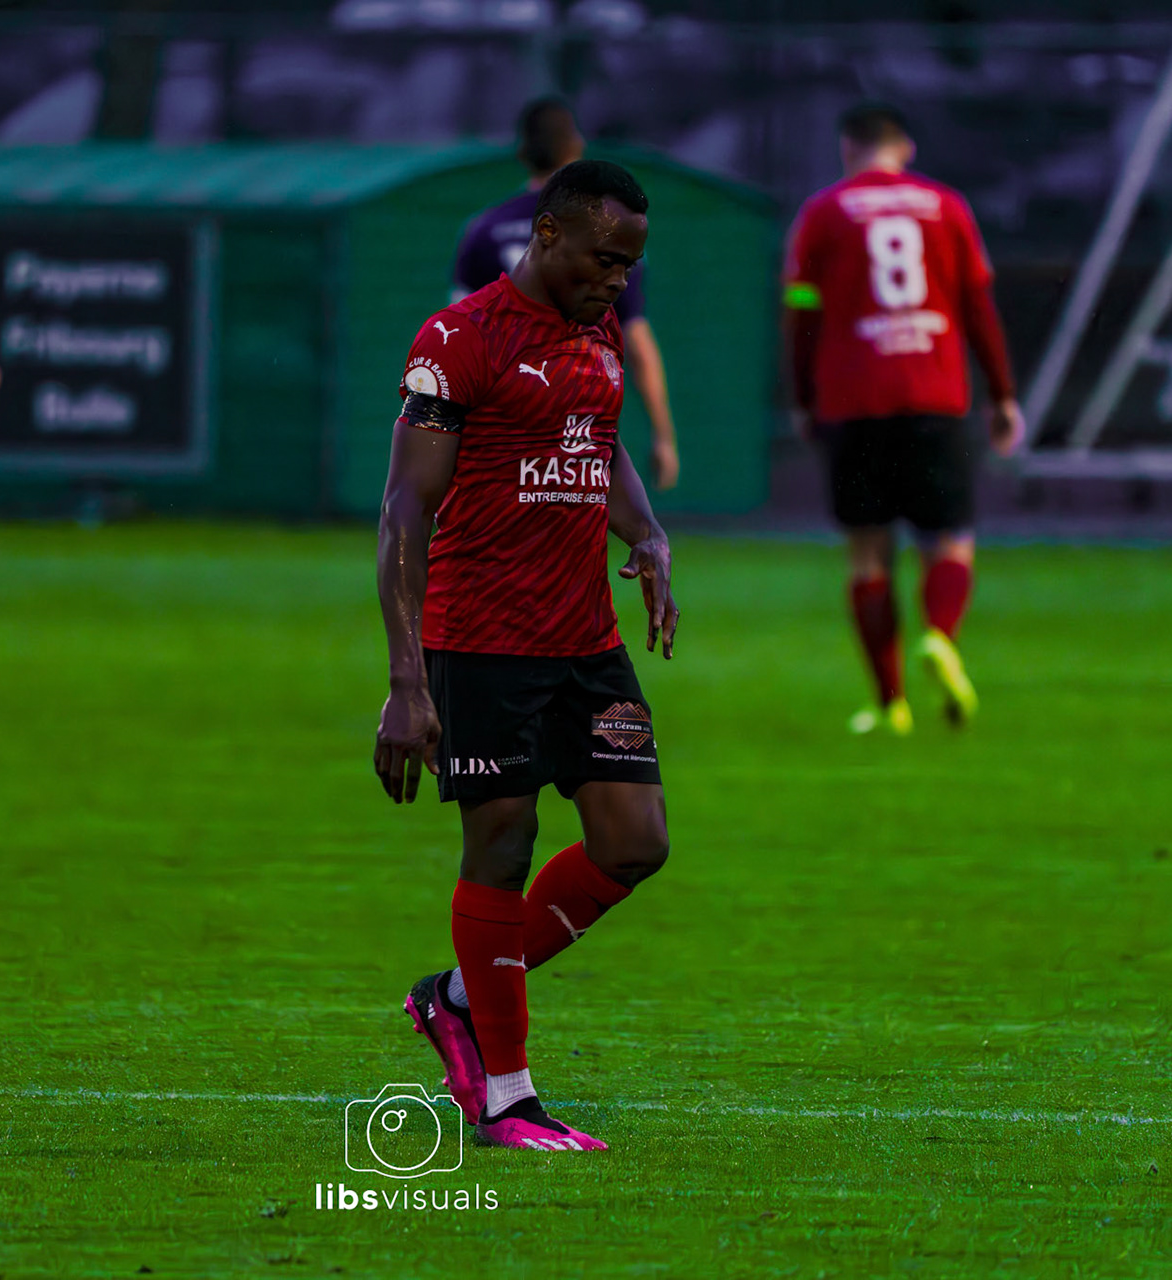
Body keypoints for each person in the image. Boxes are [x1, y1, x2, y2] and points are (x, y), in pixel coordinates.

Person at [377, 159, 678, 1152]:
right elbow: (404, 511)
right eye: (604, 260)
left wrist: (646, 535)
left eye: (630, 266)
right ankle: (506, 1093)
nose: (617, 284)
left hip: (585, 638)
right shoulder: (458, 341)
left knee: (635, 841)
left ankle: (460, 996)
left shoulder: (595, 331)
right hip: (481, 638)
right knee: (500, 849)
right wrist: (406, 681)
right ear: (545, 236)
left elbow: (603, 439)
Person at [782, 102, 1022, 736]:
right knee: (950, 539)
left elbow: (802, 313)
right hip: (935, 394)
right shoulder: (946, 207)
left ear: (847, 147)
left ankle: (890, 704)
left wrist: (805, 399)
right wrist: (1002, 394)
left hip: (854, 401)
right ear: (904, 147)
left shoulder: (825, 213)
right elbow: (977, 305)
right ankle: (941, 636)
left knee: (868, 555)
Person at [453, 97, 680, 491]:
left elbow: (456, 335)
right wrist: (664, 436)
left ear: (523, 152)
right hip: (575, 413)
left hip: (496, 421)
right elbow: (637, 341)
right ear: (575, 150)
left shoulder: (482, 229)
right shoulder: (603, 234)